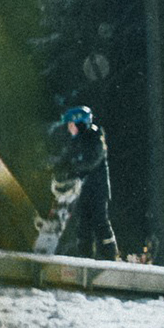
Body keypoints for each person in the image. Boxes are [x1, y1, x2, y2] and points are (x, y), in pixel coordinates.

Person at [54, 106, 119, 260]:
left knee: (100, 220)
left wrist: (73, 167)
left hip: (97, 189)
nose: (69, 129)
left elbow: (91, 160)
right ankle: (85, 258)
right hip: (81, 189)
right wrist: (55, 166)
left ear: (80, 123)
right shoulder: (75, 140)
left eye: (71, 125)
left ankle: (110, 256)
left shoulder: (95, 137)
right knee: (83, 224)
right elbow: (66, 158)